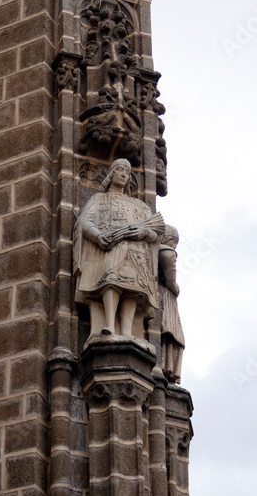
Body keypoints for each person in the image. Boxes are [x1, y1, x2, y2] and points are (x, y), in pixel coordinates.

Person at [74, 158, 164, 338]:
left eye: (127, 172)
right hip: (110, 247)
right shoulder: (99, 198)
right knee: (111, 281)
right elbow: (84, 222)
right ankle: (108, 326)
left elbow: (156, 234)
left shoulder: (139, 206)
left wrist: (143, 233)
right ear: (112, 173)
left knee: (133, 288)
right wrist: (98, 237)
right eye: (120, 170)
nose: (124, 174)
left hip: (136, 252)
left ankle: (126, 331)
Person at [158, 225, 185, 383]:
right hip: (165, 297)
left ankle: (165, 367)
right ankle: (166, 367)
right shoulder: (167, 252)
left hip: (161, 293)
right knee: (172, 333)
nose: (175, 246)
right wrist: (176, 289)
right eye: (175, 242)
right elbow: (171, 281)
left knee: (167, 333)